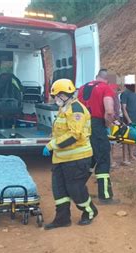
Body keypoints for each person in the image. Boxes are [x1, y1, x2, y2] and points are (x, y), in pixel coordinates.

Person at [42, 79, 98, 230]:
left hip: (77, 158)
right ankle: (62, 218)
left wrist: (52, 145)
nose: (55, 99)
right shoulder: (65, 109)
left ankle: (89, 211)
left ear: (66, 94)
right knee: (59, 188)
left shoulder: (76, 110)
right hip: (61, 157)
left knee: (75, 189)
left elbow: (75, 134)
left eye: (57, 95)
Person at [78, 69, 119, 205]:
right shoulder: (105, 89)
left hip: (83, 126)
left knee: (89, 159)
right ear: (107, 80)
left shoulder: (82, 88)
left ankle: (75, 189)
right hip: (97, 126)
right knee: (103, 159)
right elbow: (109, 111)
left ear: (96, 77)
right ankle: (105, 196)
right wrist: (108, 125)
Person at [120, 74, 136, 162]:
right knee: (125, 139)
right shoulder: (124, 94)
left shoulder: (135, 93)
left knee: (132, 137)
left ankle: (131, 155)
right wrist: (128, 120)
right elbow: (123, 108)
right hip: (128, 120)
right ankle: (125, 159)